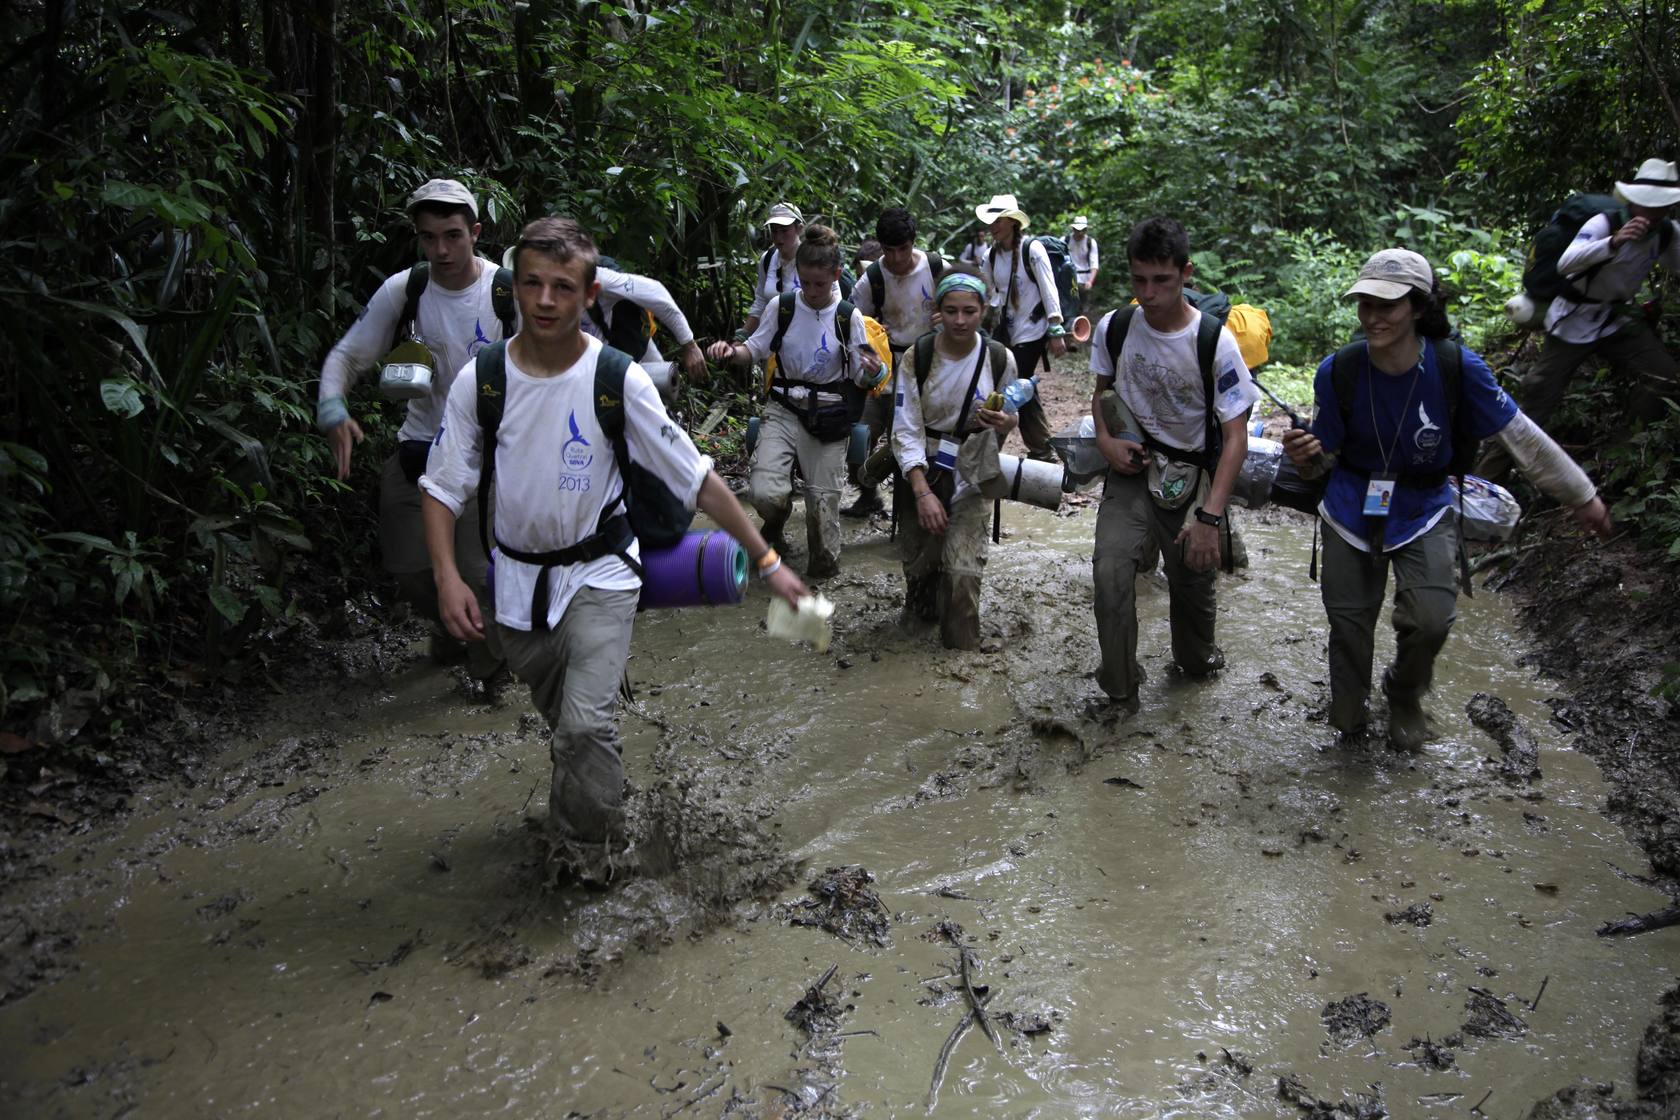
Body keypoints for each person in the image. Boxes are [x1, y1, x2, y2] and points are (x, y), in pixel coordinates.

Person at [420, 216, 806, 851]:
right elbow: (442, 487)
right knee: (566, 727)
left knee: (581, 729)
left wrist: (766, 560)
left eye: (563, 288)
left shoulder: (616, 379)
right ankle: (594, 806)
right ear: (513, 287)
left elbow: (697, 478)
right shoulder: (482, 379)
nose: (546, 301)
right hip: (516, 589)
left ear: (590, 295)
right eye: (533, 284)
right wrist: (446, 576)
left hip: (602, 574)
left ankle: (595, 862)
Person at [1282, 249, 1613, 749]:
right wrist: (1305, 454)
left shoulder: (1457, 367)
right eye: (1365, 304)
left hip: (1425, 505)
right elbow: (1321, 457)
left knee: (1431, 618)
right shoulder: (1338, 371)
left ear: (1418, 307)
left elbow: (1521, 438)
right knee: (1349, 628)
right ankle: (1348, 725)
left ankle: (1404, 691)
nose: (1373, 317)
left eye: (1387, 306)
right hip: (1351, 503)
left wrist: (1581, 495)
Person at [316, 178, 510, 684]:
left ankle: (493, 674)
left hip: (486, 457)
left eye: (452, 235)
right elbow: (347, 355)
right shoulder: (408, 289)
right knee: (408, 570)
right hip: (419, 449)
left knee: (475, 573)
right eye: (429, 238)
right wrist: (333, 407)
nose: (441, 249)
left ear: (475, 233)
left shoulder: (506, 293)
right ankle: (450, 630)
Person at [1089, 217, 1257, 714]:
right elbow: (1102, 393)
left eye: (1161, 280)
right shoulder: (1116, 327)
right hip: (1132, 471)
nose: (1149, 293)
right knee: (1111, 574)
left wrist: (1209, 520)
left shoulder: (1214, 342)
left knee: (1192, 609)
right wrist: (1104, 441)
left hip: (1192, 480)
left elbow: (1235, 438)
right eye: (1139, 280)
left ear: (1186, 274)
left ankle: (1199, 657)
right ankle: (1120, 692)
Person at [1480, 158, 1680, 480]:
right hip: (1571, 322)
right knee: (1537, 402)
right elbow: (1566, 263)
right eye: (1648, 206)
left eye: (1661, 207)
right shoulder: (1604, 223)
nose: (1653, 214)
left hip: (1617, 319)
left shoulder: (1665, 233)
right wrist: (1614, 242)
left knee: (1666, 377)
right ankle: (1484, 480)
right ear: (1633, 200)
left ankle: (1625, 457)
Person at [706, 225, 883, 577]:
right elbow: (754, 349)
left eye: (820, 284)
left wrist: (873, 370)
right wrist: (730, 351)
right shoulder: (782, 307)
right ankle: (778, 520)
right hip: (783, 409)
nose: (813, 292)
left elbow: (863, 378)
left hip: (830, 415)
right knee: (764, 494)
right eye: (805, 283)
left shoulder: (849, 318)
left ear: (836, 275)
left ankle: (821, 578)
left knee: (822, 510)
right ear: (797, 275)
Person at [892, 266, 1018, 648]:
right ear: (938, 310)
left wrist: (1004, 422)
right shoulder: (919, 356)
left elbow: (1010, 421)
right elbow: (905, 427)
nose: (960, 320)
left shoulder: (1000, 360)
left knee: (963, 574)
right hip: (925, 470)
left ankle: (962, 660)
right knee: (921, 571)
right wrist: (921, 493)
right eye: (950, 311)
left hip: (973, 472)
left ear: (983, 310)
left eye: (969, 311)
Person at [844, 206, 943, 518]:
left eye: (904, 249)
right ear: (881, 247)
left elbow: (969, 303)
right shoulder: (872, 278)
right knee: (859, 435)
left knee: (917, 440)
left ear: (914, 242)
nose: (898, 258)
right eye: (889, 251)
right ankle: (868, 494)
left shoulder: (937, 267)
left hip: (928, 365)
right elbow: (849, 321)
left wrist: (948, 314)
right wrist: (869, 339)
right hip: (883, 370)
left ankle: (911, 508)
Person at [976, 193, 1065, 459]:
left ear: (1013, 222)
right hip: (1008, 331)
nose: (993, 225)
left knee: (1016, 385)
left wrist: (1056, 328)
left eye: (999, 220)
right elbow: (987, 295)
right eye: (991, 220)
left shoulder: (1032, 249)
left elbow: (1049, 289)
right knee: (1023, 387)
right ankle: (1041, 446)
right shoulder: (990, 256)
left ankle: (1009, 448)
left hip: (1033, 330)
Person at [582, 258, 707, 385]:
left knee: (660, 386)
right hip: (588, 368)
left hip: (624, 343)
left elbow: (654, 292)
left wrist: (689, 344)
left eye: (565, 286)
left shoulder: (598, 278)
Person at [735, 202, 840, 341]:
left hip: (812, 340)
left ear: (799, 229)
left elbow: (836, 302)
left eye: (784, 231)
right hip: (774, 343)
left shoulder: (815, 258)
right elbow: (760, 301)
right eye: (774, 230)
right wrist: (743, 335)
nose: (778, 237)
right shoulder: (767, 259)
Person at [1069, 214, 1099, 303]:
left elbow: (1094, 264)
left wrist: (1090, 281)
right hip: (1069, 277)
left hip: (1085, 279)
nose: (1080, 233)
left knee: (1084, 305)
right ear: (1073, 229)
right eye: (1078, 230)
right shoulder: (1065, 240)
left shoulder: (1090, 242)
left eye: (1083, 230)